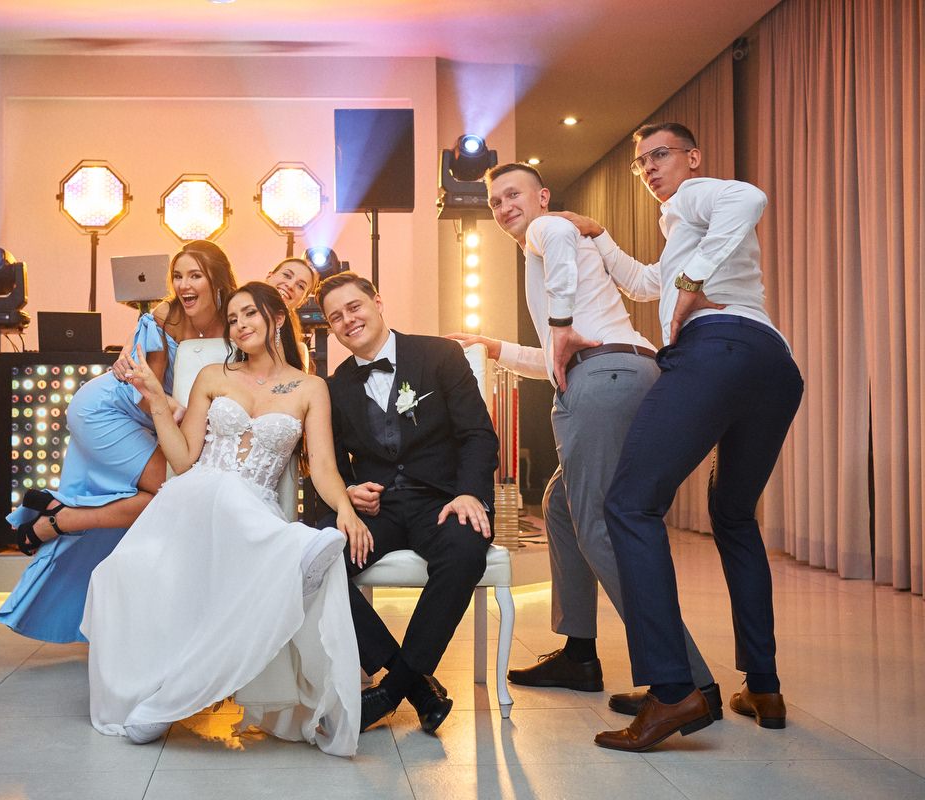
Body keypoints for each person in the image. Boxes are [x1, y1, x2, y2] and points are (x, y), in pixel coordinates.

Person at [558, 123, 803, 752]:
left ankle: (673, 690)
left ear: (692, 157)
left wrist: (692, 282)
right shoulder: (680, 226)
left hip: (717, 350)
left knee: (627, 505)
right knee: (734, 517)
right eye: (640, 162)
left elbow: (749, 197)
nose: (648, 168)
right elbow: (647, 283)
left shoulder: (696, 195)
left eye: (659, 155)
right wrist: (603, 238)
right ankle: (764, 686)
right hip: (774, 366)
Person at [447, 163, 718, 717]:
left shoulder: (549, 229)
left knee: (600, 527)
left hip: (605, 380)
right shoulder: (557, 246)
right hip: (624, 370)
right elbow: (560, 357)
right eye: (495, 201)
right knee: (561, 508)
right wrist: (495, 347)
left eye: (513, 194)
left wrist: (561, 322)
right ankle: (579, 654)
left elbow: (568, 331)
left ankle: (687, 683)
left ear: (542, 196)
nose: (504, 207)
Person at [80, 282, 370, 756]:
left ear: (277, 317)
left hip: (252, 512)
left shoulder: (310, 387)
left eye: (249, 314)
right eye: (233, 319)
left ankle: (169, 699)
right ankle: (292, 554)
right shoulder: (213, 376)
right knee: (118, 573)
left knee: (238, 500)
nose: (240, 325)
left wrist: (345, 510)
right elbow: (183, 458)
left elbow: (322, 467)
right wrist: (155, 397)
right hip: (194, 502)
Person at [0, 240, 237, 643]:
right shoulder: (166, 317)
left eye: (195, 275)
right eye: (178, 276)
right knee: (173, 493)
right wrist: (180, 411)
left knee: (174, 498)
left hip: (153, 420)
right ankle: (62, 520)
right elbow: (145, 391)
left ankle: (124, 614)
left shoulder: (236, 321)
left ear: (218, 280)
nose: (184, 285)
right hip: (106, 409)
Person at [317, 272, 499, 735]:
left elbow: (478, 435)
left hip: (445, 499)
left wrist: (469, 493)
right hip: (379, 511)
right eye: (336, 317)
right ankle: (416, 686)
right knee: (314, 559)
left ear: (377, 302)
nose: (347, 320)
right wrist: (349, 492)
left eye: (354, 307)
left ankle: (389, 691)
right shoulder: (334, 387)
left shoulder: (440, 355)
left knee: (464, 550)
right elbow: (331, 463)